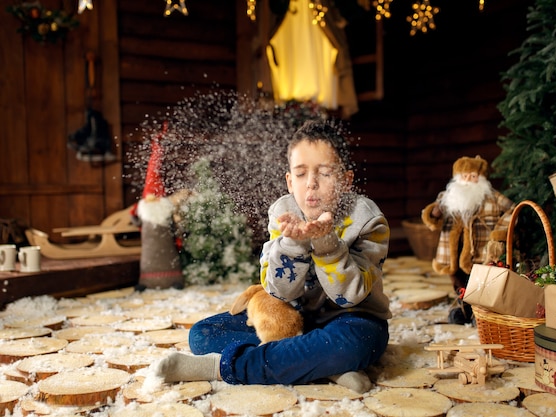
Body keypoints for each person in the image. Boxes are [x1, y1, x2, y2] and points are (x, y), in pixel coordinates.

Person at [155, 119, 391, 393]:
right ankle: (325, 367)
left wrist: (325, 242)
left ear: (346, 181)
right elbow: (277, 292)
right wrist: (293, 242)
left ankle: (221, 367)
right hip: (293, 318)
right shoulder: (283, 212)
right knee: (203, 334)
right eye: (301, 174)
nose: (311, 184)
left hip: (352, 319)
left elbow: (348, 295)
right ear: (290, 181)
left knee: (356, 344)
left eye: (325, 173)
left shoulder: (368, 220)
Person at [421, 155, 515, 322]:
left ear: (482, 178)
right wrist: (434, 213)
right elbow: (434, 222)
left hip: (479, 249)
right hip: (453, 250)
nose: (468, 181)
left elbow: (513, 211)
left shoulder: (492, 197)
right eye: (464, 176)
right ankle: (462, 308)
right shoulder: (447, 197)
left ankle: (479, 312)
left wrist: (499, 232)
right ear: (457, 178)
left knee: (478, 280)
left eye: (473, 176)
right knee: (458, 279)